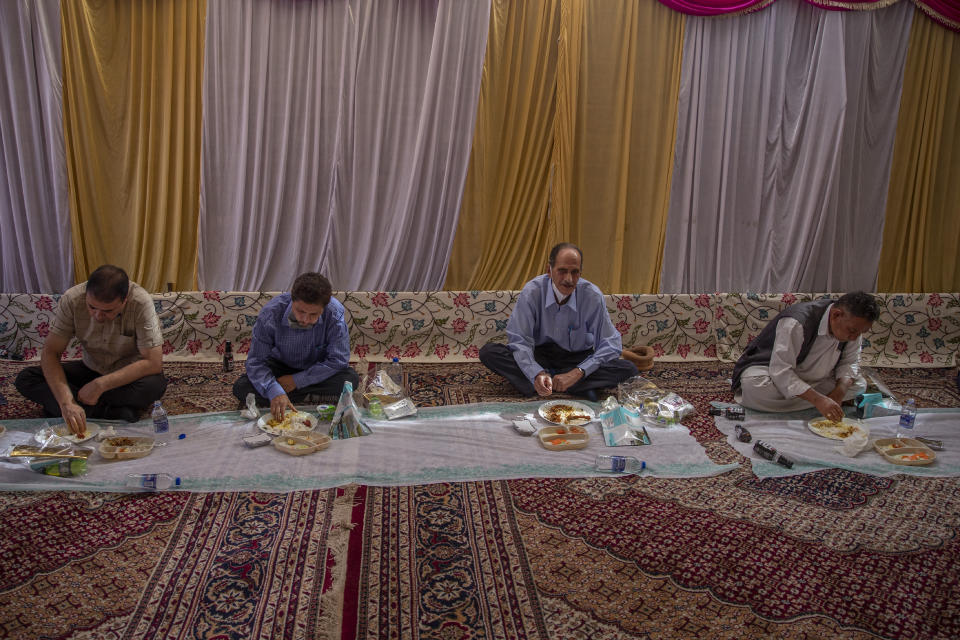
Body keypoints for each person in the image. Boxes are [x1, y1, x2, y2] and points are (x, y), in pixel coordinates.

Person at [15, 265, 166, 433]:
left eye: (108, 311)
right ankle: (113, 413)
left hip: (126, 375)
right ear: (86, 295)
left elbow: (153, 362)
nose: (98, 316)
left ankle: (74, 408)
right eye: (92, 307)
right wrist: (66, 402)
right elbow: (51, 352)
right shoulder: (72, 299)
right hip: (91, 368)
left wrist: (100, 385)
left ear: (125, 301)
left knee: (155, 385)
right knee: (27, 378)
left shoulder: (140, 302)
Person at [479, 243, 638, 399]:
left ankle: (545, 383)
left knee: (628, 369)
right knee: (490, 353)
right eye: (562, 271)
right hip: (539, 354)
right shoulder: (532, 292)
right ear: (549, 270)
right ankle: (565, 384)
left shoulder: (592, 296)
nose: (568, 279)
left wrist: (579, 372)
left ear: (580, 273)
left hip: (576, 359)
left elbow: (611, 343)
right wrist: (536, 372)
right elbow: (520, 340)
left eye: (574, 272)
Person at [731, 291, 881, 420]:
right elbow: (781, 371)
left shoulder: (854, 329)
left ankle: (815, 399)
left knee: (859, 385)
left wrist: (839, 391)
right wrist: (817, 399)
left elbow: (850, 362)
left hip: (816, 380)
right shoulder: (796, 322)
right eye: (852, 331)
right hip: (773, 374)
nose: (855, 338)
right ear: (836, 315)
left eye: (860, 333)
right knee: (754, 387)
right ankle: (818, 401)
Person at [232, 272, 359, 420]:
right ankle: (295, 394)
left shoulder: (334, 314)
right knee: (241, 387)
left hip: (316, 366)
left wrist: (296, 381)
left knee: (350, 380)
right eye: (300, 311)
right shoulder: (271, 313)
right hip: (280, 365)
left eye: (313, 315)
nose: (305, 319)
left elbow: (338, 360)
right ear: (292, 300)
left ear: (324, 308)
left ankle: (287, 394)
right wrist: (274, 389)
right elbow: (256, 361)